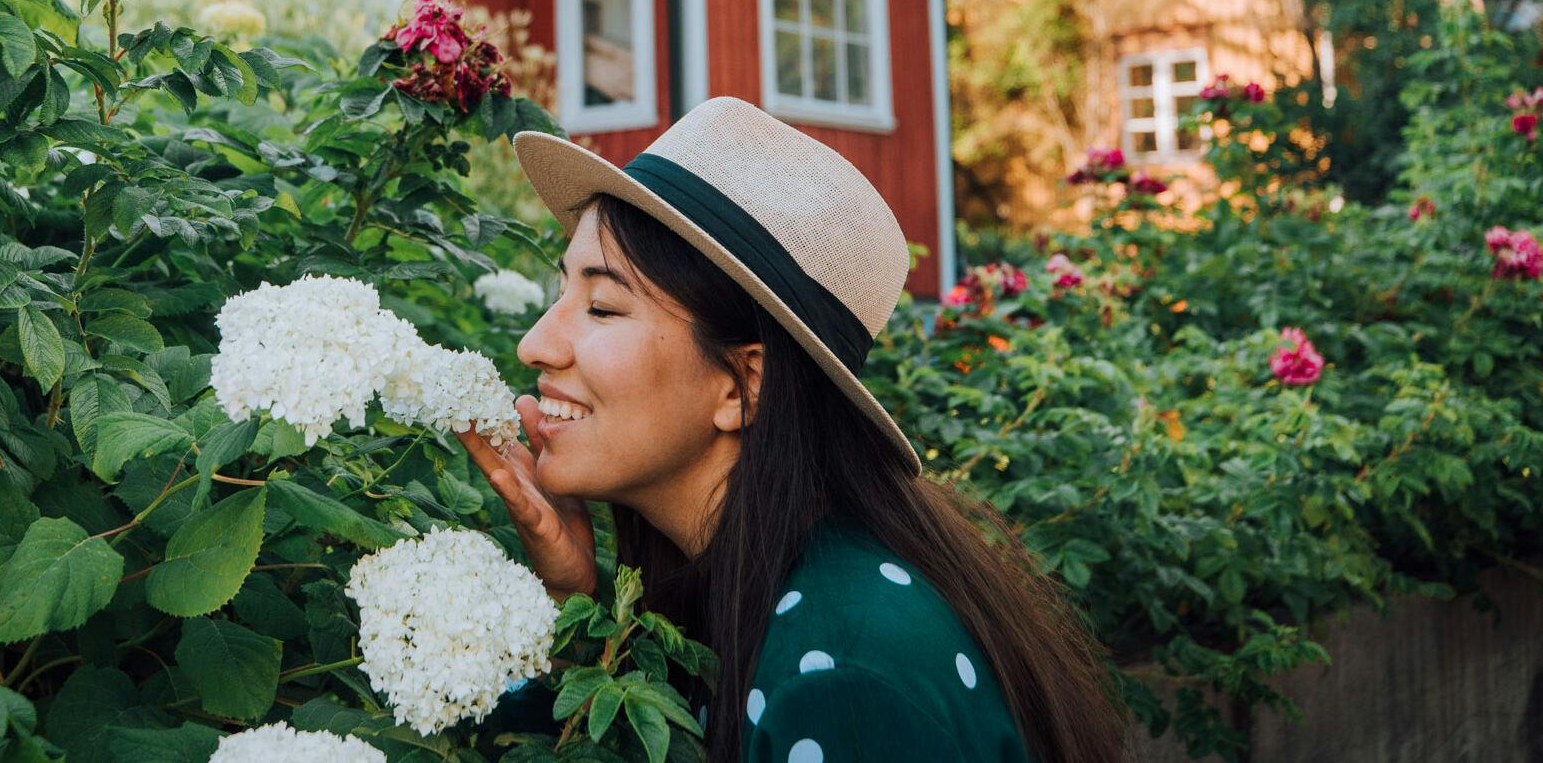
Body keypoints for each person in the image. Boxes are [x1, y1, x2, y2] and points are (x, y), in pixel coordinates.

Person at [458, 97, 1123, 762]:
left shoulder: (842, 679)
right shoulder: (735, 599)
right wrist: (568, 609)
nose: (535, 344)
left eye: (602, 306)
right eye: (562, 292)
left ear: (745, 385)